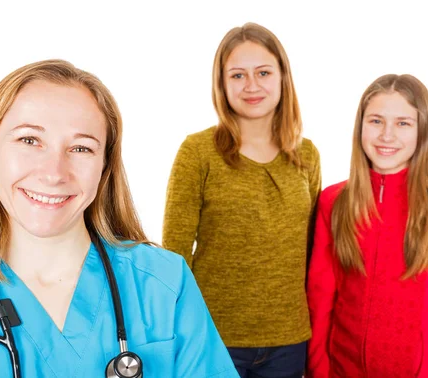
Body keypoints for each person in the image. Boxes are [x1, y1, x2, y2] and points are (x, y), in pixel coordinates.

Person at [0, 59, 239, 378]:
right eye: (29, 140)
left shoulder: (164, 285)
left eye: (81, 148)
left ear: (104, 167)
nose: (54, 173)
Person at [163, 23, 321, 378]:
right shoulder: (197, 152)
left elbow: (311, 251)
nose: (252, 85)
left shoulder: (307, 155)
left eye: (263, 72)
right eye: (238, 75)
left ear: (283, 78)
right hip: (213, 336)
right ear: (222, 84)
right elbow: (174, 254)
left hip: (289, 340)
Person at [306, 74, 428, 377]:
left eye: (403, 123)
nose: (387, 135)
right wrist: (319, 372)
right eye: (376, 121)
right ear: (360, 127)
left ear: (422, 131)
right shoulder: (334, 202)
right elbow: (320, 301)